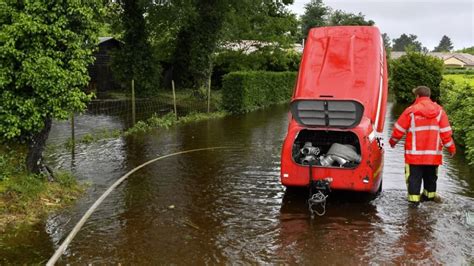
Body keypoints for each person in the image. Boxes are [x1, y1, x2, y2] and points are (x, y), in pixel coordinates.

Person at [389, 86, 456, 204]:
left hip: (414, 157)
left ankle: (413, 208)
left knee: (414, 180)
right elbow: (446, 133)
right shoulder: (440, 111)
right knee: (431, 180)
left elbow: (398, 130)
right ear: (429, 96)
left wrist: (393, 142)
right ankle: (429, 202)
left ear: (417, 96)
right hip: (433, 156)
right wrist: (451, 148)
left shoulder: (410, 111)